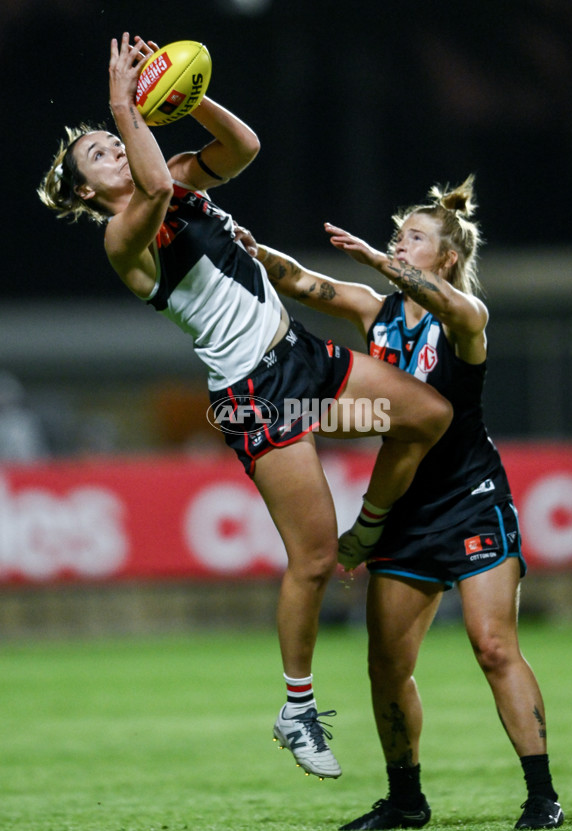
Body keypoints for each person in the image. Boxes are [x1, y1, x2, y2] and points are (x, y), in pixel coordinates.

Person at [37, 33, 452, 781]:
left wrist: (187, 96)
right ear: (88, 193)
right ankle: (297, 708)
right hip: (253, 397)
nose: (115, 148)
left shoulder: (182, 177)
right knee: (314, 559)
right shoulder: (123, 235)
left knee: (428, 414)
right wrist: (120, 104)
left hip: (299, 358)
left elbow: (246, 145)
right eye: (99, 153)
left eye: (111, 140)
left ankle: (380, 524)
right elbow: (155, 189)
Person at [254, 176, 563, 828]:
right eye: (399, 235)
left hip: (472, 498)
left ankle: (542, 797)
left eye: (414, 238)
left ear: (447, 258)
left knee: (493, 647)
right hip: (405, 512)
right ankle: (406, 801)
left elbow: (454, 309)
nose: (400, 243)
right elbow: (306, 282)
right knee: (386, 666)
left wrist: (375, 258)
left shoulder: (467, 319)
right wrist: (244, 247)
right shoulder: (378, 311)